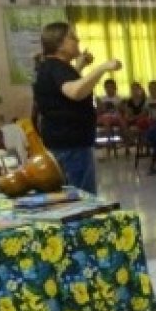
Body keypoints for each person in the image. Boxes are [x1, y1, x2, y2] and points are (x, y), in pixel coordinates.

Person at [33, 22, 121, 194]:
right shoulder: (56, 67)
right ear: (59, 45)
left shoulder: (53, 66)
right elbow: (74, 92)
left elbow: (64, 87)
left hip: (65, 141)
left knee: (71, 192)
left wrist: (80, 66)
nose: (77, 40)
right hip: (71, 145)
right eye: (72, 37)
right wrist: (102, 68)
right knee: (81, 196)